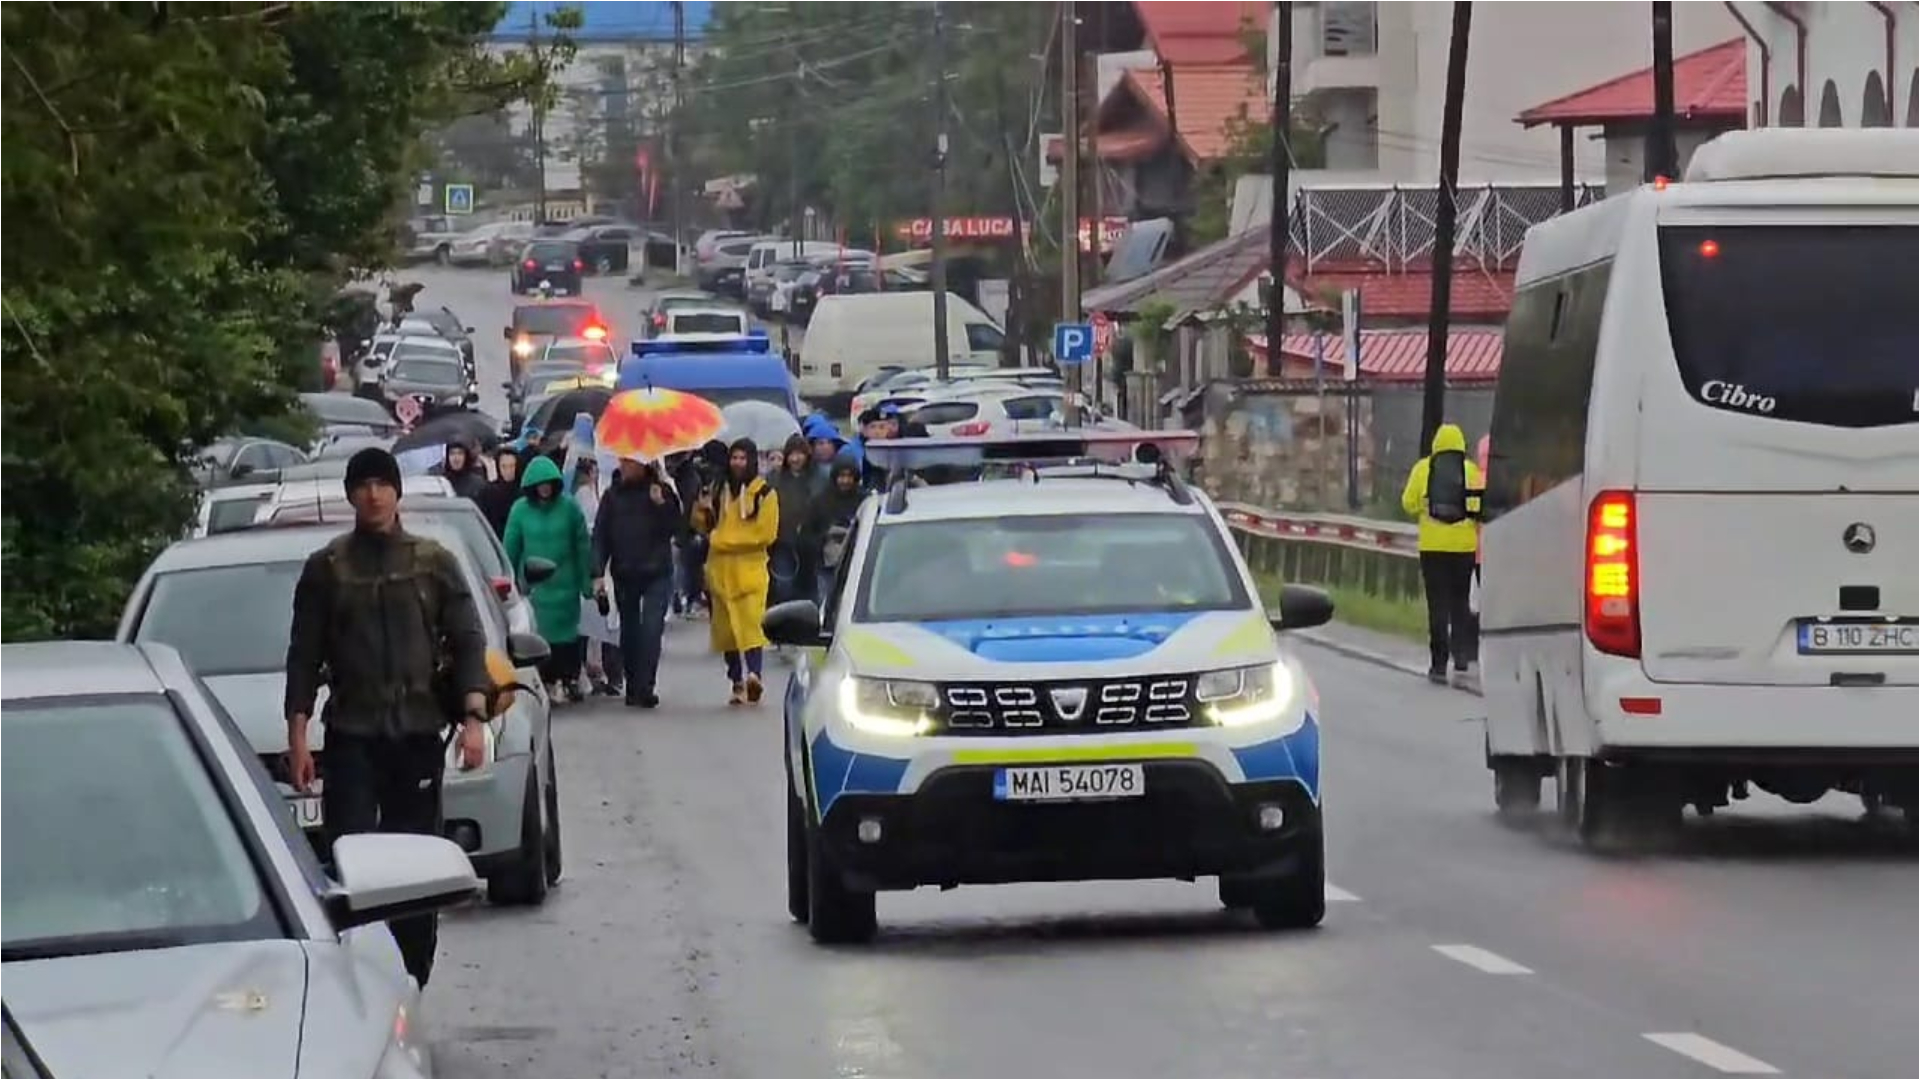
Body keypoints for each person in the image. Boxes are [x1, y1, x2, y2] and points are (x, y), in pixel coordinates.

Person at [283, 447, 489, 989]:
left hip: (418, 734)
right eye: (363, 485)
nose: (373, 494)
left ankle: (412, 975)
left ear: (398, 492)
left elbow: (468, 641)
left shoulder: (432, 562)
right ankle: (361, 977)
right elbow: (303, 654)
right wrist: (299, 734)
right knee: (352, 861)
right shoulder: (327, 569)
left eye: (383, 483)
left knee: (416, 866)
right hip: (352, 734)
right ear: (351, 494)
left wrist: (473, 719)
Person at [691, 438, 779, 705]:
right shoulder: (719, 490)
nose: (738, 463)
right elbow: (704, 527)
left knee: (752, 626)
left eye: (743, 458)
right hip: (721, 572)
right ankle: (737, 681)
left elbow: (765, 534)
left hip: (750, 571)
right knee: (727, 632)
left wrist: (724, 541)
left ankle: (755, 674)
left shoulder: (765, 494)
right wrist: (702, 509)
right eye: (734, 458)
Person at [592, 458, 683, 708]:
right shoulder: (612, 496)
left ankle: (646, 686)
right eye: (622, 462)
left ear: (643, 465)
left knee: (652, 628)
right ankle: (633, 684)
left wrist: (662, 505)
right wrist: (597, 572)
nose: (624, 466)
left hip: (657, 571)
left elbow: (675, 528)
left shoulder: (661, 491)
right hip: (625, 570)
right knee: (630, 631)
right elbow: (601, 535)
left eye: (630, 462)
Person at [505, 455, 595, 702]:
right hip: (534, 590)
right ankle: (545, 681)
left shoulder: (570, 509)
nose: (544, 488)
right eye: (539, 484)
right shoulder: (519, 510)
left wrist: (587, 583)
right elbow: (510, 547)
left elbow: (582, 548)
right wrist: (508, 581)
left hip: (565, 589)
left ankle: (567, 679)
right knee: (537, 639)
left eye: (548, 483)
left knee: (566, 639)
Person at [1401, 422, 1485, 686]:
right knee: (1460, 603)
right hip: (1463, 548)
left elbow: (1408, 503)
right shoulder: (1471, 471)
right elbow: (1479, 507)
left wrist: (1426, 509)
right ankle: (1461, 657)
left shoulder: (1422, 469)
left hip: (1432, 547)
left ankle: (1438, 664)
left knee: (1437, 605)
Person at [571, 458, 621, 698]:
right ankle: (593, 671)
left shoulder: (599, 492)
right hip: (593, 561)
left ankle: (602, 672)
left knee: (602, 619)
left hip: (603, 562)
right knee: (595, 618)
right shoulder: (585, 495)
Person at [804, 451, 866, 606]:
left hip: (857, 565)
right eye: (841, 476)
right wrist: (826, 538)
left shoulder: (865, 500)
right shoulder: (820, 501)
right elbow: (806, 534)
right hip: (827, 568)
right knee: (827, 605)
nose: (845, 481)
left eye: (849, 476)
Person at [767, 434, 817, 606]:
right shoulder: (775, 479)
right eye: (792, 454)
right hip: (782, 543)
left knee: (809, 589)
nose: (796, 459)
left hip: (810, 544)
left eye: (800, 454)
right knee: (784, 586)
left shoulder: (817, 478)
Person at [478, 446, 522, 538]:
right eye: (504, 466)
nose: (508, 471)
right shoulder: (488, 491)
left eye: (512, 466)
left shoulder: (524, 492)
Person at [435, 436, 488, 502]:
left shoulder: (477, 484)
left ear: (466, 456)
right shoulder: (440, 482)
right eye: (452, 453)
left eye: (460, 453)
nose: (456, 458)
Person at [801, 413, 847, 486]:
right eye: (820, 443)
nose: (825, 447)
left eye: (829, 443)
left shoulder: (845, 465)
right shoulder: (805, 468)